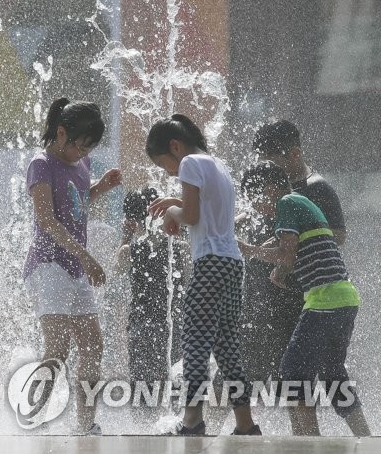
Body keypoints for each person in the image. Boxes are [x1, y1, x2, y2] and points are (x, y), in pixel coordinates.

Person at [145, 114, 260, 436]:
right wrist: (178, 202)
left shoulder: (189, 163)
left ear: (175, 146)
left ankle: (192, 420)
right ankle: (246, 424)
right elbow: (210, 210)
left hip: (209, 263)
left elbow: (192, 216)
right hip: (232, 263)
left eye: (163, 164)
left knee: (195, 341)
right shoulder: (217, 165)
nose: (168, 172)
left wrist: (172, 211)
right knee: (227, 347)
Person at [239, 162, 370, 436]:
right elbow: (293, 251)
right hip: (343, 297)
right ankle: (365, 437)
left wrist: (250, 250)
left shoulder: (286, 202)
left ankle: (308, 442)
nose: (256, 207)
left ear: (270, 189)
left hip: (324, 300)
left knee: (292, 370)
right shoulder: (300, 203)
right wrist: (280, 267)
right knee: (333, 373)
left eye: (255, 198)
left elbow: (286, 256)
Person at [24, 98, 121, 435]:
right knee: (58, 349)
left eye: (89, 148)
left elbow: (76, 203)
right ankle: (31, 415)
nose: (82, 153)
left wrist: (100, 188)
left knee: (93, 345)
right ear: (61, 133)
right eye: (79, 145)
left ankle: (85, 424)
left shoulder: (82, 162)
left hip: (76, 267)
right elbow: (47, 220)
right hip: (49, 266)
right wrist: (87, 257)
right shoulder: (41, 164)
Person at [242, 119, 345, 396]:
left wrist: (286, 242)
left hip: (293, 302)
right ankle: (202, 421)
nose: (265, 170)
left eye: (271, 162)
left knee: (292, 384)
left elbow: (338, 235)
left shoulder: (316, 188)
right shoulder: (273, 188)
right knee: (237, 376)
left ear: (295, 153)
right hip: (261, 300)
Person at [114, 187, 186, 424]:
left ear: (132, 221)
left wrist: (125, 237)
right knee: (175, 382)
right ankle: (178, 426)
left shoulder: (129, 250)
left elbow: (116, 269)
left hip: (142, 325)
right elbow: (187, 280)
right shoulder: (178, 247)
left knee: (143, 389)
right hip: (174, 325)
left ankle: (142, 432)